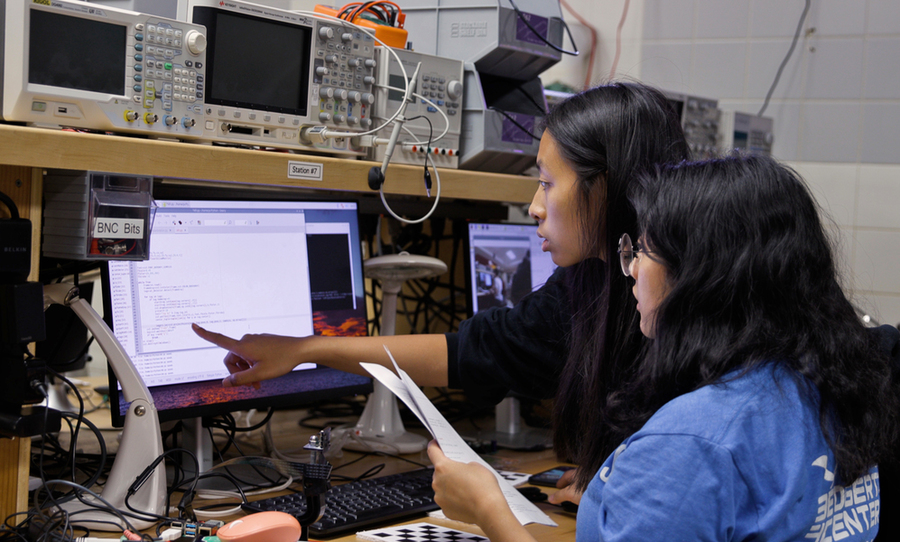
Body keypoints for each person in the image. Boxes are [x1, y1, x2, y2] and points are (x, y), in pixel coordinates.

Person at [192, 81, 692, 497]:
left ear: (601, 187)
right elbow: (475, 351)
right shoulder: (591, 285)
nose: (535, 206)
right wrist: (306, 349)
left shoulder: (686, 319)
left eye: (545, 183)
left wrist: (499, 505)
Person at [427, 153, 899, 541]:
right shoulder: (828, 386)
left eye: (645, 250)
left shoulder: (691, 444)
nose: (630, 268)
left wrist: (489, 509)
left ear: (702, 278)